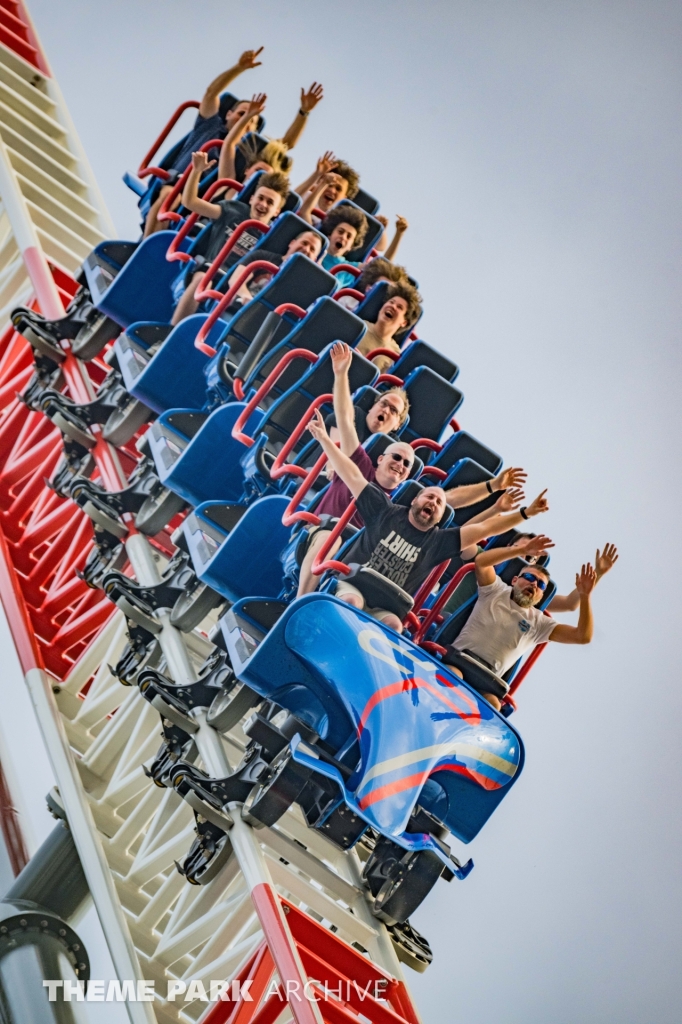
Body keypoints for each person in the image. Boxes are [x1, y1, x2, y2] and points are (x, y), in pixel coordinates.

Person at [307, 408, 549, 632]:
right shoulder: (384, 510)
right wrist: (324, 439)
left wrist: (525, 513)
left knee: (394, 627)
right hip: (355, 584)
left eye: (440, 503)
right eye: (429, 497)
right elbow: (352, 474)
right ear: (414, 501)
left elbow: (485, 527)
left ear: (440, 516)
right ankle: (315, 631)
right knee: (351, 602)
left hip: (388, 605)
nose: (433, 502)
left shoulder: (439, 542)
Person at [442, 535, 601, 710]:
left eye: (541, 585)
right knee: (452, 679)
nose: (534, 584)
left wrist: (585, 596)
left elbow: (582, 636)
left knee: (492, 706)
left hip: (487, 681)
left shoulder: (540, 623)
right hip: (459, 660)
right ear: (515, 580)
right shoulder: (495, 590)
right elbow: (482, 562)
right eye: (529, 577)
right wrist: (522, 550)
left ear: (541, 596)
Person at [171, 153, 289, 324]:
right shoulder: (232, 210)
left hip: (238, 285)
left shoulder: (272, 236)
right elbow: (190, 202)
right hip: (211, 270)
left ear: (277, 211)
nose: (263, 205)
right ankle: (172, 332)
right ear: (252, 198)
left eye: (270, 202)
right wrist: (196, 172)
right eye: (261, 198)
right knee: (202, 281)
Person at [225, 228, 323, 307]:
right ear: (292, 243)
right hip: (238, 308)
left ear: (314, 259)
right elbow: (235, 280)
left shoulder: (306, 285)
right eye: (304, 243)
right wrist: (247, 298)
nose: (306, 249)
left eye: (312, 249)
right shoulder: (261, 256)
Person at [355, 282, 422, 372]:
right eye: (391, 302)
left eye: (399, 307)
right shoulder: (358, 325)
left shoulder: (395, 355)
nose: (393, 306)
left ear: (404, 322)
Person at [297, 154, 361, 223]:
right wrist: (317, 174)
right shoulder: (305, 196)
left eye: (338, 189)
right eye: (329, 184)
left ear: (344, 198)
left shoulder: (337, 220)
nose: (332, 190)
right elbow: (290, 199)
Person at [319, 205, 368, 285]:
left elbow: (377, 269)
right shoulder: (315, 248)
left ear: (351, 246)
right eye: (340, 232)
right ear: (330, 234)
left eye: (349, 236)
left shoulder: (350, 268)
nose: (343, 237)